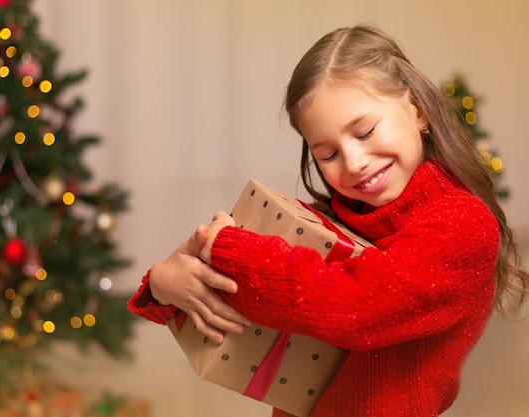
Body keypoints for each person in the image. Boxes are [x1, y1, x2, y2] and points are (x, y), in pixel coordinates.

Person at [127, 24, 529, 417]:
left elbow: (354, 309)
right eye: (328, 154)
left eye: (366, 131)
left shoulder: (462, 223)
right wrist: (164, 281)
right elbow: (234, 303)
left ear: (417, 109)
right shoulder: (328, 222)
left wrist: (229, 247)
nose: (354, 163)